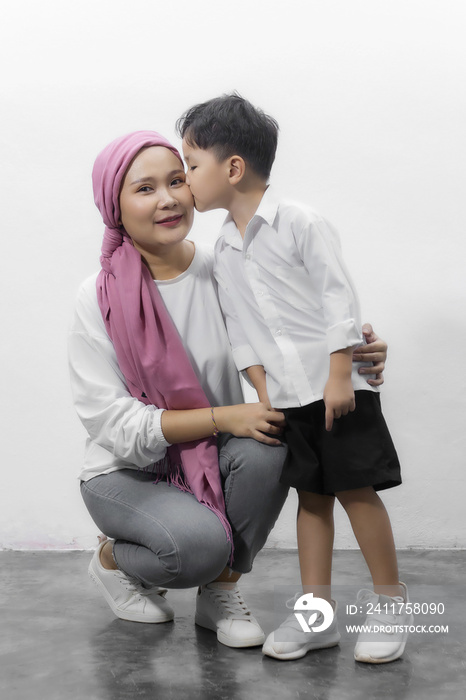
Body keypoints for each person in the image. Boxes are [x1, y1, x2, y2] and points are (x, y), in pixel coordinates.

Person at [69, 129, 388, 651]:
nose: (170, 198)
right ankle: (111, 559)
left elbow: (293, 325)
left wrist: (355, 350)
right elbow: (110, 422)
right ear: (114, 205)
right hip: (124, 472)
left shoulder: (224, 266)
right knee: (192, 549)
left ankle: (220, 590)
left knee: (277, 444)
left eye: (178, 179)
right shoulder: (97, 297)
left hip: (208, 455)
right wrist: (223, 418)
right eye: (144, 189)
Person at [177, 94, 411, 664]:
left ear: (232, 168)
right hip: (285, 398)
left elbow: (338, 298)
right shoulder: (224, 249)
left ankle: (391, 605)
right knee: (311, 501)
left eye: (190, 165)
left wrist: (338, 375)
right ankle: (318, 617)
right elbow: (243, 332)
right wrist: (262, 395)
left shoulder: (299, 221)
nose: (186, 180)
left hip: (337, 389)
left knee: (357, 493)